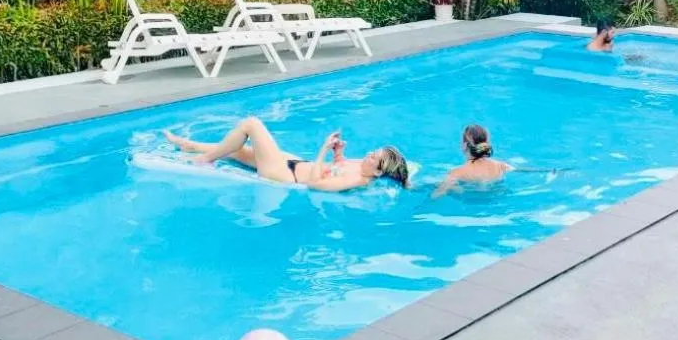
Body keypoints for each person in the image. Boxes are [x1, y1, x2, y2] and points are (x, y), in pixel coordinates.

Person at [164, 118, 409, 191]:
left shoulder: (357, 180)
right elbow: (340, 165)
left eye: (373, 157)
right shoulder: (360, 166)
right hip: (295, 163)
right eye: (372, 152)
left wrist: (323, 149)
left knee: (252, 125)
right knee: (237, 151)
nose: (368, 154)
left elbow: (315, 184)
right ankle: (190, 145)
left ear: (378, 171)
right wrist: (338, 153)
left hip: (285, 175)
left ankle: (202, 160)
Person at [434, 124, 513, 197]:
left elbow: (438, 194)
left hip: (470, 201)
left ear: (464, 145)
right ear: (486, 144)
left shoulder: (457, 172)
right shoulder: (501, 166)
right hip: (496, 197)